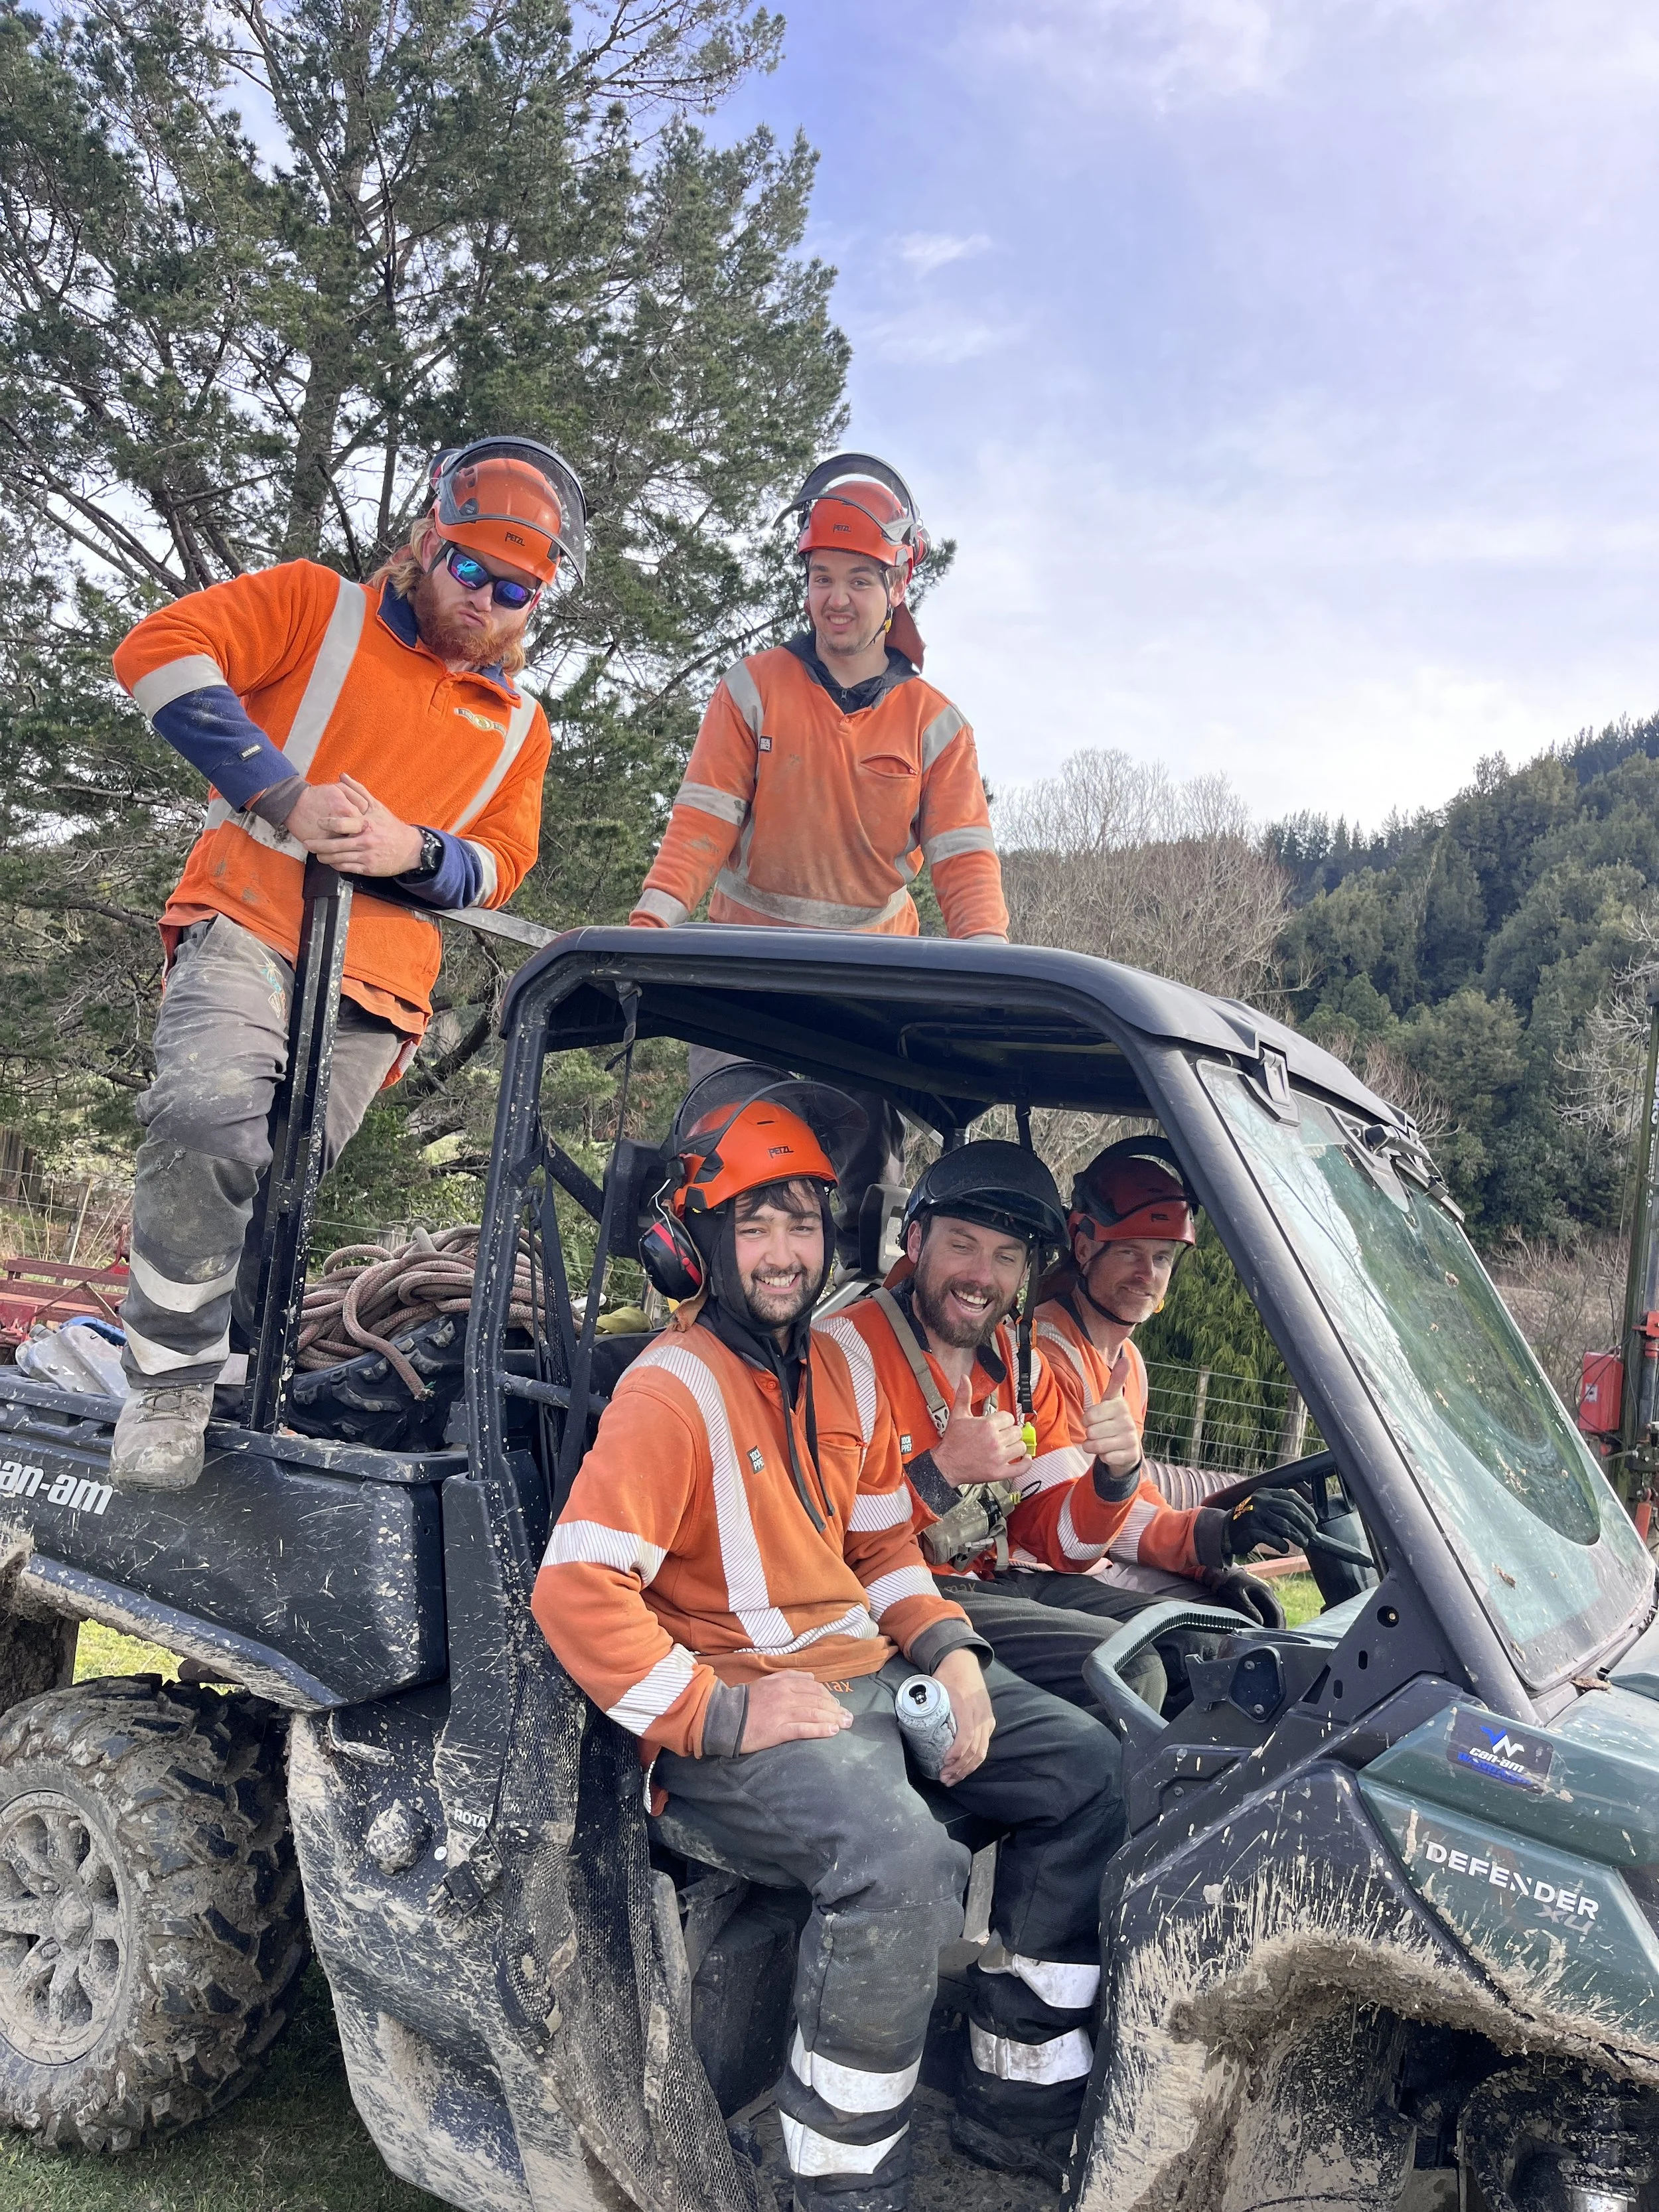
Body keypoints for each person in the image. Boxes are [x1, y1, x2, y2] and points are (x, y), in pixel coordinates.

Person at [533, 1079, 1123, 2203]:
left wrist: (952, 1652)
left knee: (1085, 1770)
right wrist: (722, 1711)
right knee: (903, 1862)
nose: (783, 1249)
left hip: (860, 1673)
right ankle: (839, 2183)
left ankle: (1016, 2105)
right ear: (692, 1238)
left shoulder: (827, 1368)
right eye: (753, 1222)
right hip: (743, 1714)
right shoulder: (672, 1389)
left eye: (800, 1222)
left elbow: (881, 1542)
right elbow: (576, 1589)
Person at [108, 436, 585, 1489]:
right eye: (469, 569)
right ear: (426, 545)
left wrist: (412, 850)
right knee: (203, 1114)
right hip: (248, 912)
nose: (485, 602)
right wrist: (283, 795)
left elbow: (501, 863)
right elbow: (157, 649)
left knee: (281, 1183)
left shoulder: (519, 728)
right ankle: (170, 1384)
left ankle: (243, 1379)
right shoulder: (314, 608)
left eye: (514, 590)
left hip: (376, 981)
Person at [628, 453, 1009, 1260]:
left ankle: (848, 1353)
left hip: (863, 999)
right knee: (724, 1174)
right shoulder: (753, 690)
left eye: (859, 580)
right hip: (743, 987)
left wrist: (991, 975)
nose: (836, 598)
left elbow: (965, 866)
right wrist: (644, 929)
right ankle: (703, 1339)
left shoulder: (936, 725)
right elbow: (698, 830)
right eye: (822, 577)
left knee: (861, 1203)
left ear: (896, 588)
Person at [824, 1141, 1189, 1712]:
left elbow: (1064, 1543)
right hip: (895, 1590)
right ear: (915, 1242)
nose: (980, 1276)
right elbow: (831, 1540)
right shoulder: (845, 1352)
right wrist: (941, 1472)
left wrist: (1115, 1476)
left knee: (1194, 1642)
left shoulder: (1022, 1363)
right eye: (962, 1245)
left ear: (1027, 1271)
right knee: (1132, 1669)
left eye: (1006, 1256)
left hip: (990, 1578)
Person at [1034, 1139, 1317, 1617]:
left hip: (1091, 1563)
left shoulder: (1130, 1364)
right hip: (1040, 1571)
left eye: (1163, 1257)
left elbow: (1132, 1493)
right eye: (1129, 1252)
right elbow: (1079, 1523)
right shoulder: (1042, 1353)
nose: (1148, 1273)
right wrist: (1219, 1534)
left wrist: (1212, 1568)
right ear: (1083, 1247)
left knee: (1249, 1626)